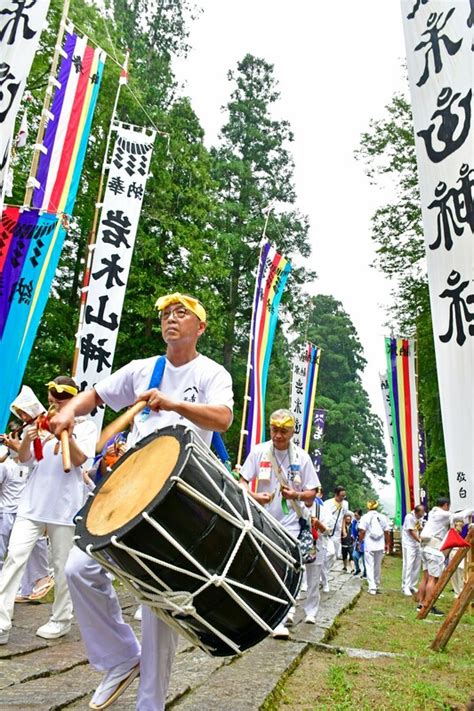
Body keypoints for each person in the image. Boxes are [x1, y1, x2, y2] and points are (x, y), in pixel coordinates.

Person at [52, 293, 234, 711]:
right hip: (128, 489)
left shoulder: (211, 372)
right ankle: (119, 658)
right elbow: (94, 395)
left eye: (181, 313)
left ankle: (149, 704)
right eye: (166, 314)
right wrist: (69, 414)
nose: (171, 318)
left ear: (200, 327)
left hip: (180, 500)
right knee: (79, 569)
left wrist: (174, 404)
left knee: (156, 602)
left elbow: (222, 418)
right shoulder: (143, 370)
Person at [0, 377, 96, 645]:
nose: (54, 406)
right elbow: (26, 459)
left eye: (60, 402)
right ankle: (1, 622)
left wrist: (63, 433)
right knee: (14, 559)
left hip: (65, 508)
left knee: (62, 566)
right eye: (52, 402)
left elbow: (79, 460)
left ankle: (61, 620)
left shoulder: (86, 427)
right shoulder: (41, 423)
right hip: (31, 504)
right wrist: (28, 440)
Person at [239, 408, 318, 638]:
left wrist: (297, 496)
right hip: (263, 519)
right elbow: (242, 481)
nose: (278, 436)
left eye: (283, 431)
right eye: (274, 430)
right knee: (265, 567)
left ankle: (283, 617)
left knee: (289, 568)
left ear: (292, 431)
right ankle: (269, 612)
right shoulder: (259, 452)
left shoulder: (302, 457)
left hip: (292, 522)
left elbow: (312, 492)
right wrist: (254, 497)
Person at [416, 498, 472, 616]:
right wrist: (471, 508)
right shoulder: (443, 514)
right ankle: (428, 605)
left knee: (426, 577)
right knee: (433, 578)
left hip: (425, 548)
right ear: (446, 505)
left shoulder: (433, 513)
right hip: (433, 549)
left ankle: (421, 603)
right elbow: (461, 515)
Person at [358, 500, 389, 595]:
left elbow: (362, 531)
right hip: (380, 544)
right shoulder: (383, 517)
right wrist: (387, 543)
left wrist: (359, 542)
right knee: (377, 565)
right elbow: (386, 531)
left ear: (368, 508)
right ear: (377, 507)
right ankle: (376, 583)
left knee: (369, 565)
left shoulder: (365, 517)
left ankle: (372, 587)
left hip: (369, 544)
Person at [323, 485, 349, 588]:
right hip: (327, 532)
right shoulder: (327, 504)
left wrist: (343, 530)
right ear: (336, 495)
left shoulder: (345, 504)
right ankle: (323, 576)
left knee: (335, 556)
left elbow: (343, 518)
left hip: (337, 533)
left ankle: (325, 573)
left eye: (344, 496)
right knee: (329, 553)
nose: (343, 498)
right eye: (341, 496)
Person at [401, 504, 425, 596]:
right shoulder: (409, 517)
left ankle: (412, 585)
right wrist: (419, 540)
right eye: (422, 512)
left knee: (417, 564)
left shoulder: (419, 518)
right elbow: (411, 532)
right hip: (409, 544)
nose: (423, 514)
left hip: (416, 544)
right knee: (409, 564)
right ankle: (405, 586)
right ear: (417, 512)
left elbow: (419, 529)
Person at [350, 509, 364, 576]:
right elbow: (353, 532)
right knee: (354, 555)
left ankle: (365, 573)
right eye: (354, 515)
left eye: (356, 515)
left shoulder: (364, 521)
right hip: (357, 541)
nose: (355, 516)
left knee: (364, 559)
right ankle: (357, 569)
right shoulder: (354, 522)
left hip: (364, 542)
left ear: (360, 515)